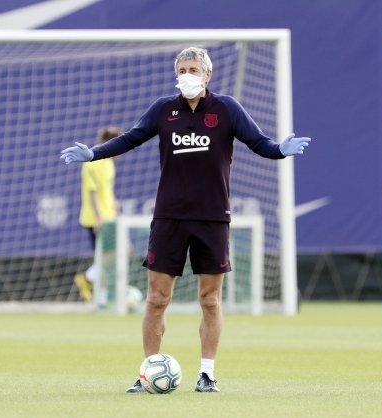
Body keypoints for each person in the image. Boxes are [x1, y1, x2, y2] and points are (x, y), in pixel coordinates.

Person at [61, 46, 311, 393]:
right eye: (182, 70)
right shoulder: (164, 110)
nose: (188, 75)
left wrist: (281, 150)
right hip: (169, 217)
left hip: (212, 217)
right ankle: (148, 371)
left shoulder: (226, 108)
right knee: (156, 299)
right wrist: (94, 154)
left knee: (210, 299)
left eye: (194, 69)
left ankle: (207, 373)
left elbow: (260, 143)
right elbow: (131, 138)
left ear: (208, 75)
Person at [74, 126, 123, 304]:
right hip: (96, 219)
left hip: (108, 217)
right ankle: (90, 283)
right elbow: (92, 192)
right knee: (107, 257)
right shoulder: (93, 161)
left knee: (114, 255)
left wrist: (114, 203)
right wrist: (98, 217)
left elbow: (105, 190)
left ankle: (95, 286)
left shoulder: (109, 163)